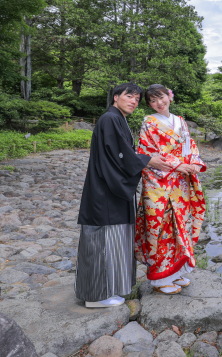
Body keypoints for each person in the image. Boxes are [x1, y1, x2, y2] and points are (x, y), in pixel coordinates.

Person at [75, 83, 171, 308]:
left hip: (109, 189)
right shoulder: (110, 119)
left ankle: (105, 290)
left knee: (110, 242)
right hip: (104, 193)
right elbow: (118, 156)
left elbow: (122, 154)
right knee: (102, 243)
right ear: (116, 97)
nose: (134, 101)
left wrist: (141, 159)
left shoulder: (117, 119)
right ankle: (96, 296)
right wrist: (147, 160)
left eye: (137, 99)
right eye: (129, 96)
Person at [135, 84, 206, 295]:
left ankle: (176, 271)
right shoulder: (149, 122)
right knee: (162, 227)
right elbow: (146, 151)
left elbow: (190, 145)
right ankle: (160, 278)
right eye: (153, 101)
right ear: (149, 104)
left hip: (181, 182)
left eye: (161, 97)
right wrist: (177, 165)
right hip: (160, 183)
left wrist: (193, 162)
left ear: (169, 97)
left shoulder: (180, 121)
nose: (159, 103)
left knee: (181, 225)